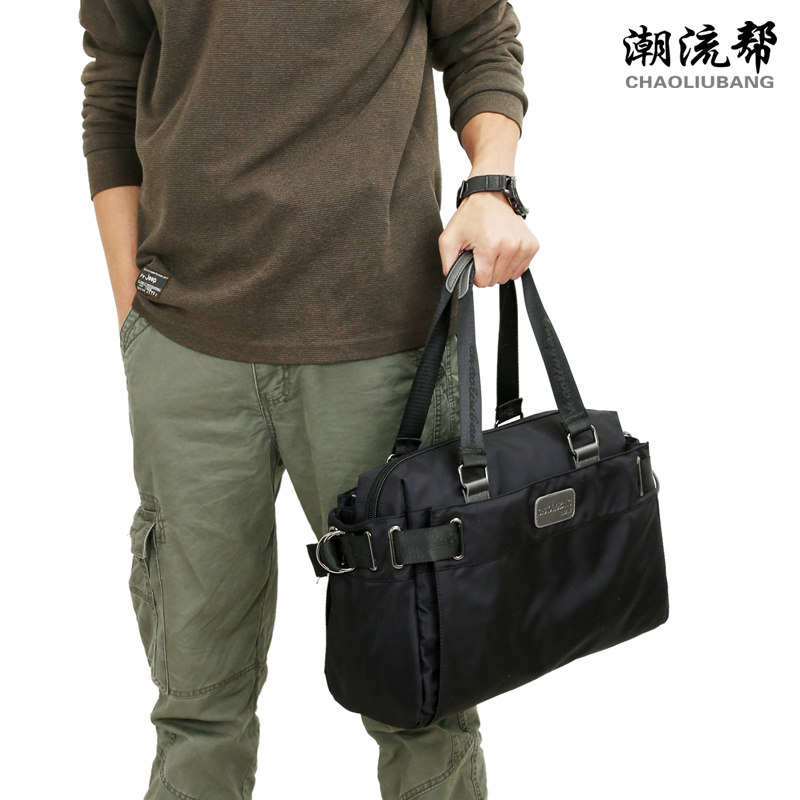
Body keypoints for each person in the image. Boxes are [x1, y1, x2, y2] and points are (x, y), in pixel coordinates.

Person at [78, 1, 539, 797]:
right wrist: (134, 313)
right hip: (187, 351)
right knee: (195, 712)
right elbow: (115, 81)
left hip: (383, 353)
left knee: (425, 704)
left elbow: (481, 39)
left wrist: (491, 182)